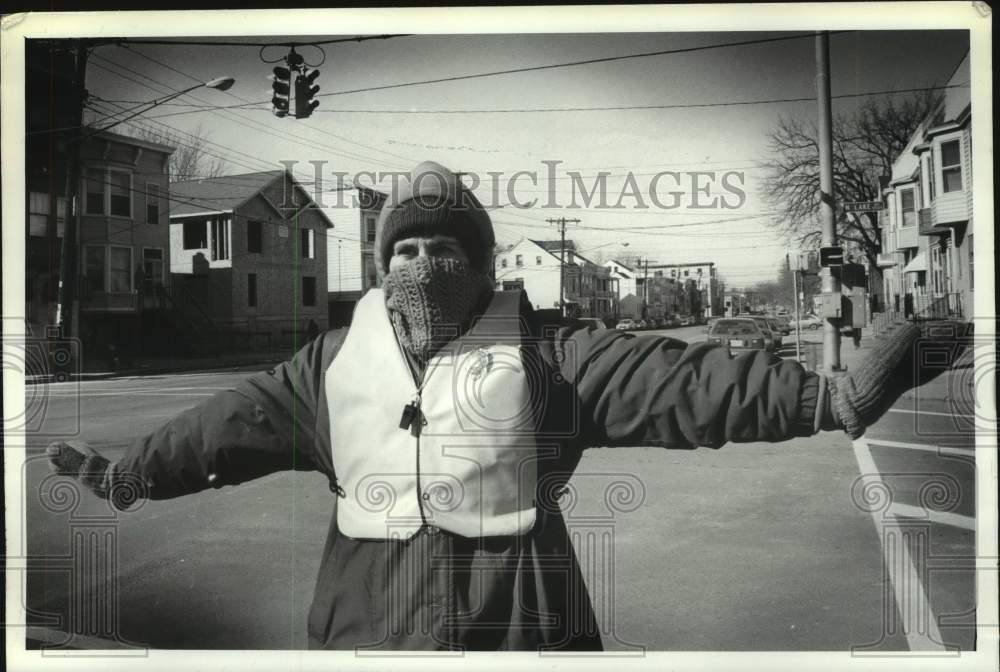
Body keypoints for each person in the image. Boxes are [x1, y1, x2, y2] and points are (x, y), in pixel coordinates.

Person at [47, 161, 959, 652]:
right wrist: (130, 473)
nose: (424, 264)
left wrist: (828, 397)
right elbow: (226, 429)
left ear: (483, 265)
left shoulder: (548, 357)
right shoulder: (329, 368)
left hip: (523, 634)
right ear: (378, 267)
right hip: (368, 640)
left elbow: (680, 384)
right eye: (405, 250)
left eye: (446, 247)